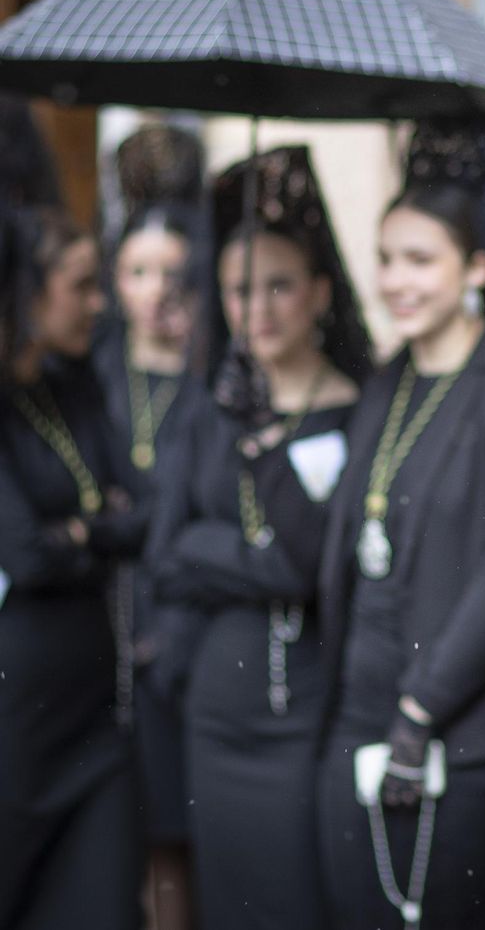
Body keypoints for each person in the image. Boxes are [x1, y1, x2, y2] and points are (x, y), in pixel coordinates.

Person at [317, 117, 485, 930]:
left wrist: (420, 710)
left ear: (477, 269)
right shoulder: (385, 382)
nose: (396, 280)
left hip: (455, 731)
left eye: (420, 260)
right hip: (357, 714)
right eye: (387, 259)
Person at [145, 146, 370, 930]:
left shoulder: (355, 408)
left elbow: (313, 564)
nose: (259, 309)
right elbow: (170, 550)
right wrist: (257, 566)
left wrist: (236, 553)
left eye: (279, 286)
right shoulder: (210, 405)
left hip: (307, 705)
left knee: (300, 899)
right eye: (241, 290)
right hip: (217, 702)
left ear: (317, 294)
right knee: (228, 901)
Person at [0, 190, 146, 927]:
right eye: (81, 287)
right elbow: (25, 554)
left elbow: (144, 514)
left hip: (95, 701)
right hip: (21, 708)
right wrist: (98, 529)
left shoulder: (77, 383)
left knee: (104, 900)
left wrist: (77, 533)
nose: (99, 304)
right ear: (30, 292)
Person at [93, 124, 209, 926]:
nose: (154, 290)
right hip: (96, 632)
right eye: (137, 272)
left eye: (172, 274)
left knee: (173, 829)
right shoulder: (90, 373)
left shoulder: (209, 388)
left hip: (172, 636)